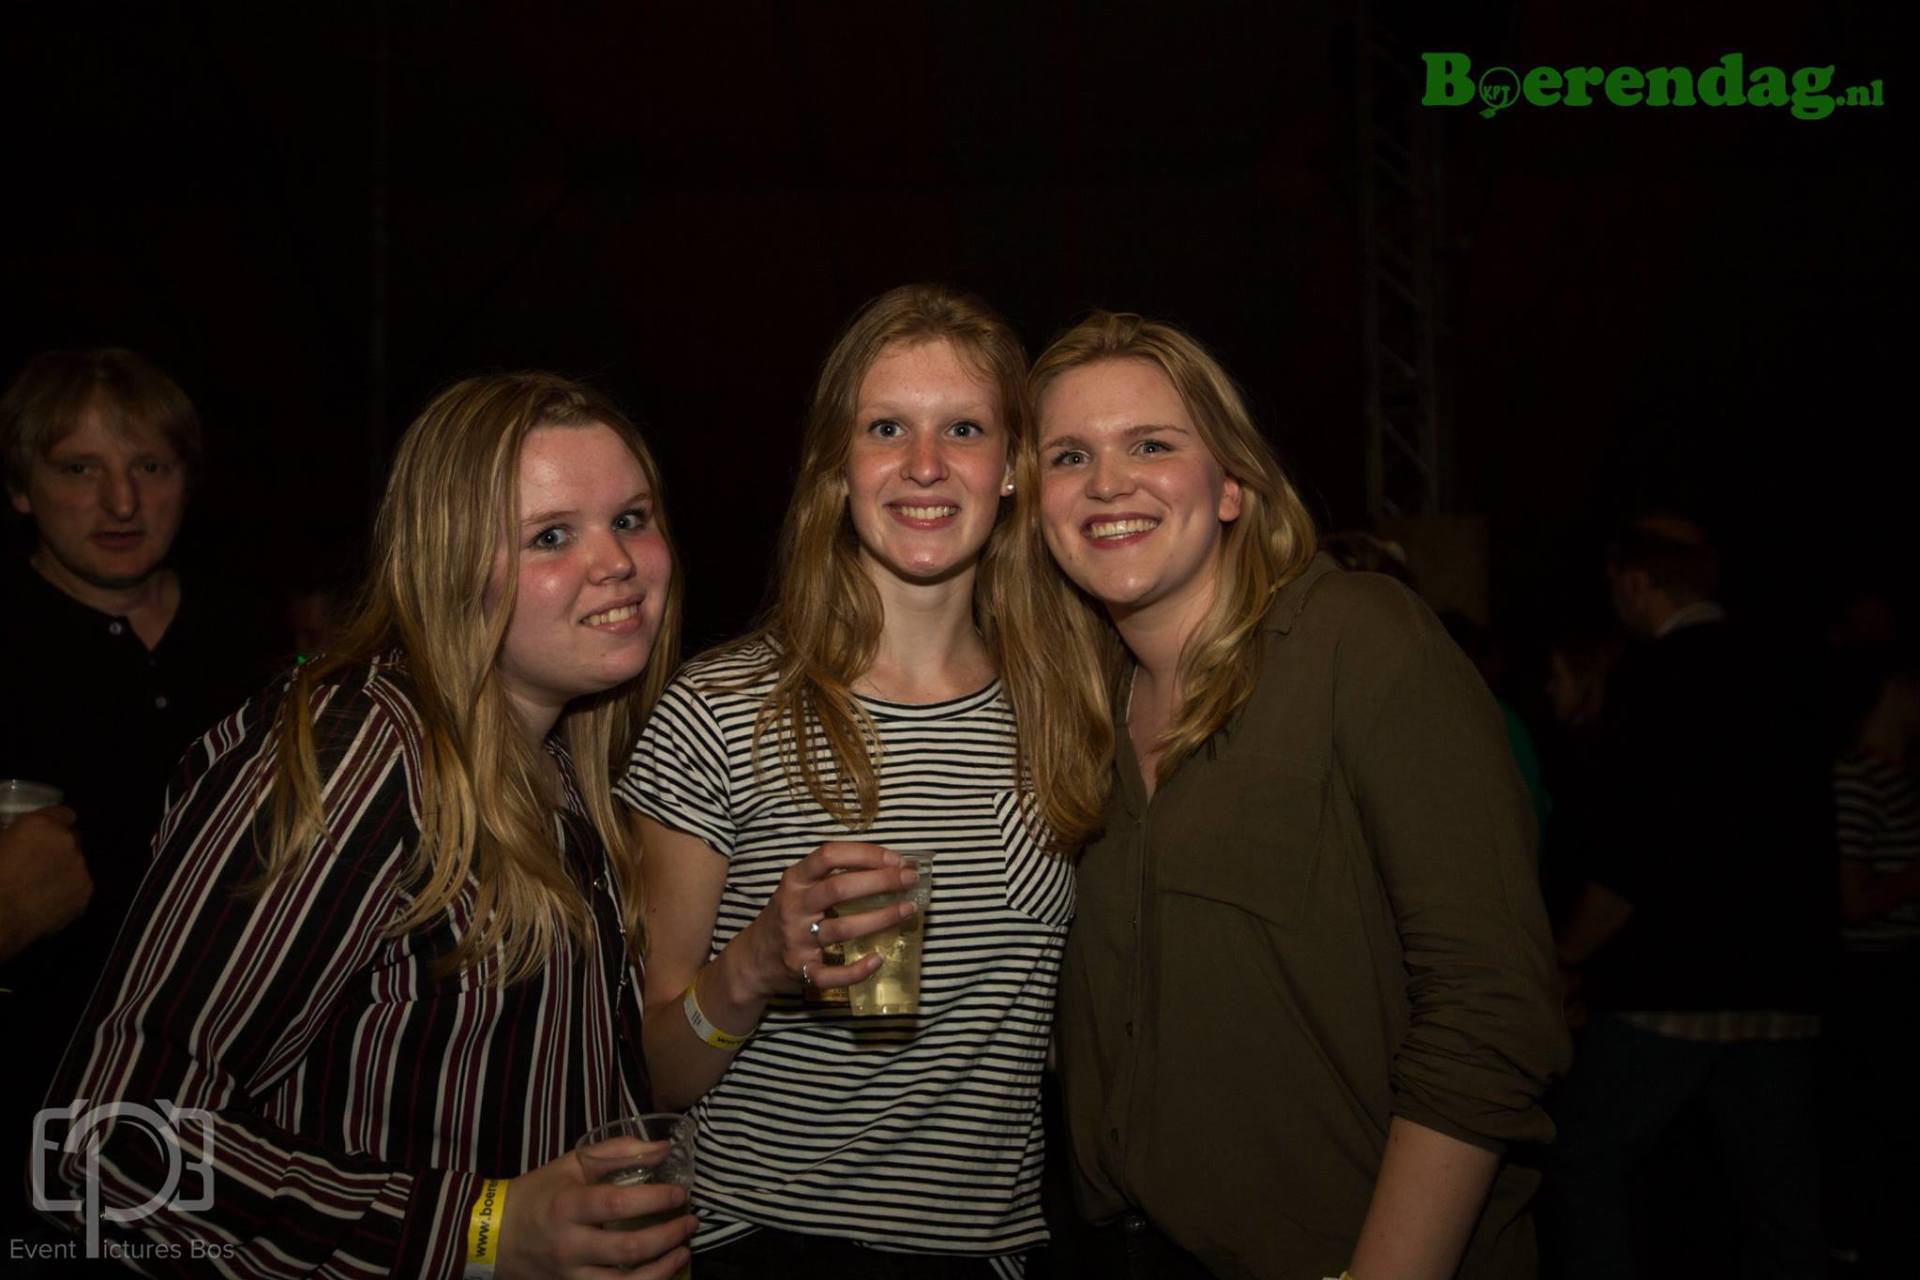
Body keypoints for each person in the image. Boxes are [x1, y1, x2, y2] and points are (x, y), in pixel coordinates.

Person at [39, 373, 696, 1278]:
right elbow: (111, 1143)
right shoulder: (361, 751)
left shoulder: (566, 756)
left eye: (630, 518)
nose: (616, 561)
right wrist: (482, 1228)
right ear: (448, 562)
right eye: (550, 535)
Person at [1026, 311, 1567, 1279]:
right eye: (1070, 455)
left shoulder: (1359, 640)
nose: (1107, 482)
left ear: (1232, 484)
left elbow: (1492, 1007)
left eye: (1151, 444)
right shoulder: (1080, 714)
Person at [624, 284, 1087, 1279]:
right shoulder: (721, 711)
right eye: (886, 428)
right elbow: (652, 1068)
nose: (925, 464)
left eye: (963, 428)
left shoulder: (1066, 713)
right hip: (764, 1244)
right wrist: (756, 962)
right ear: (838, 468)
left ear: (1013, 467)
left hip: (991, 1255)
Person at [0, 347, 274, 1237]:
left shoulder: (254, 640)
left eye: (150, 468)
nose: (122, 504)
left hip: (241, 1119)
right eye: (79, 469)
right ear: (21, 488)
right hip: (41, 1119)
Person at [1545, 515, 1834, 1278]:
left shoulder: (1656, 676)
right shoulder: (1785, 670)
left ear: (1638, 582)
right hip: (1778, 983)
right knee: (1779, 1201)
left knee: (1585, 1158)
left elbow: (1634, 844)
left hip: (1670, 984)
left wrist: (1570, 953)